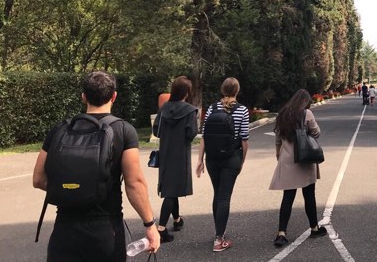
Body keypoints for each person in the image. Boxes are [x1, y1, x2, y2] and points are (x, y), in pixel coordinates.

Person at [32, 71, 160, 261]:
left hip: (64, 233)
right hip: (105, 232)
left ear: (83, 97)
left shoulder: (60, 129)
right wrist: (150, 225)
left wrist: (72, 189)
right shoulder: (123, 131)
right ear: (114, 96)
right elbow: (134, 183)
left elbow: (38, 179)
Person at [196, 77, 250, 252]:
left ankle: (219, 232)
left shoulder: (212, 109)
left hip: (212, 158)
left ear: (222, 90)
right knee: (224, 197)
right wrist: (241, 161)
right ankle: (219, 240)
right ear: (237, 91)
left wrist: (200, 160)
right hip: (231, 157)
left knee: (217, 194)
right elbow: (244, 140)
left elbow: (204, 136)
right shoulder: (242, 110)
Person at [269, 89, 326, 248]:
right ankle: (314, 228)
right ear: (305, 102)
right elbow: (316, 133)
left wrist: (278, 154)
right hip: (305, 159)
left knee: (288, 197)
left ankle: (281, 233)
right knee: (309, 195)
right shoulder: (307, 114)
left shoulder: (282, 114)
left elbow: (278, 138)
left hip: (287, 159)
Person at [153, 76, 198, 242]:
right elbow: (191, 133)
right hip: (180, 155)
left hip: (166, 153)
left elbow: (156, 131)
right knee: (172, 191)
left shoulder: (164, 108)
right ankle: (161, 229)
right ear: (186, 92)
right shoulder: (190, 110)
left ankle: (177, 219)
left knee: (172, 188)